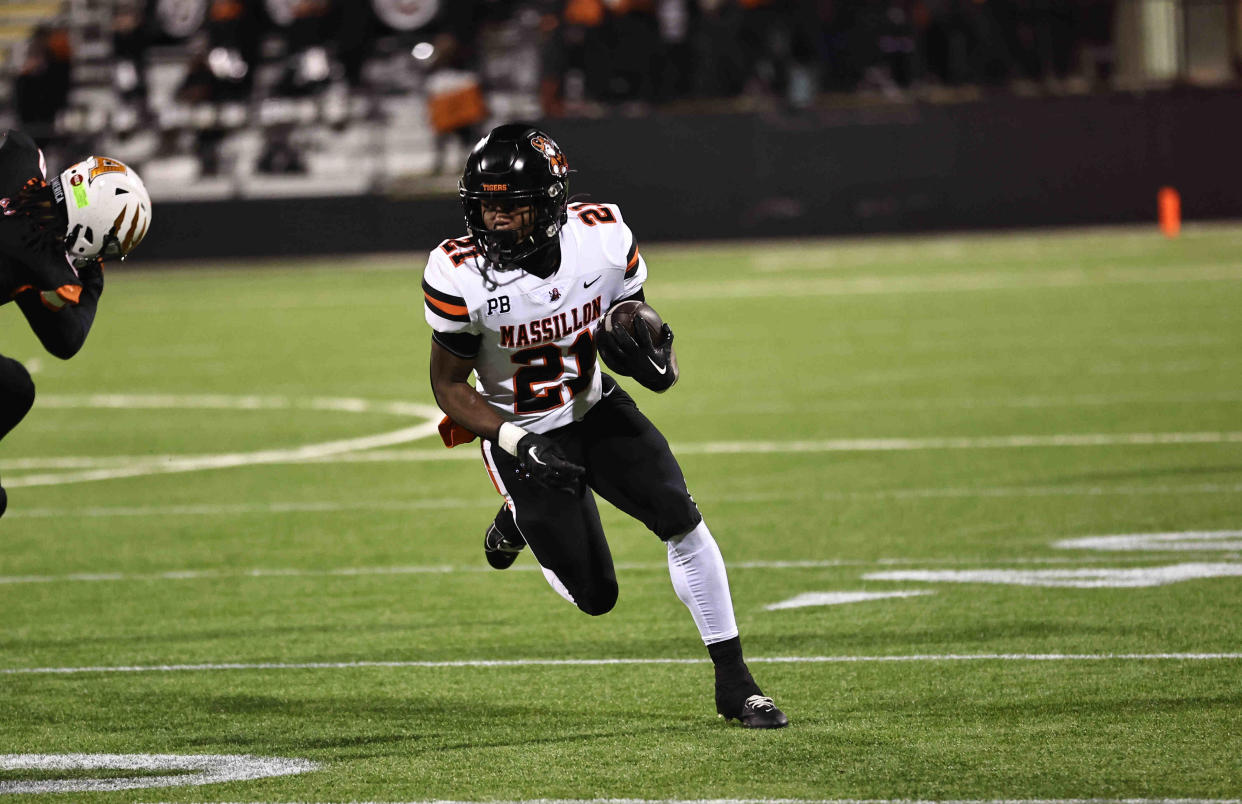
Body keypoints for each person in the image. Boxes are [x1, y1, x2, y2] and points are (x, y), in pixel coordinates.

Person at [422, 123, 787, 729]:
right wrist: (519, 442)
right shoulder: (457, 273)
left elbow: (629, 312)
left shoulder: (604, 236)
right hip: (522, 431)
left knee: (681, 517)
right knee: (597, 598)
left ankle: (736, 683)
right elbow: (449, 387)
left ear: (550, 205)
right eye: (485, 206)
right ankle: (519, 519)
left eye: (511, 208)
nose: (495, 222)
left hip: (594, 406)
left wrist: (650, 349)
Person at [0, 129, 153, 518]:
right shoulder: (42, 264)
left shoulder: (19, 150)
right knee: (14, 387)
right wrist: (94, 283)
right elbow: (65, 341)